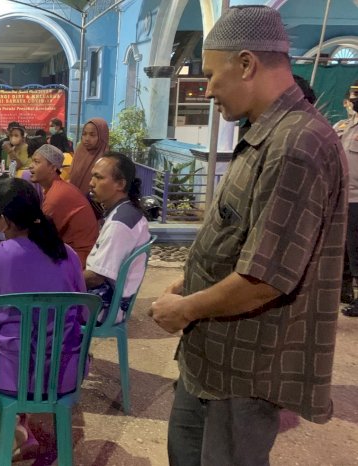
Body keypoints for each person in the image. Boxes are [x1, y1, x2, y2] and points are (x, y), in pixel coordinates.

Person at [148, 7, 347, 465]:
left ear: (246, 64)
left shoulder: (296, 145)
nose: (208, 88)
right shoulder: (268, 133)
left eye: (213, 74)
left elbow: (266, 278)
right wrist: (193, 282)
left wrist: (185, 308)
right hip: (213, 360)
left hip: (244, 371)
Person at [0, 177, 86, 455]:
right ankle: (21, 427)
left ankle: (14, 425)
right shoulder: (68, 254)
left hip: (12, 376)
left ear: (4, 221)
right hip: (64, 373)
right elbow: (83, 312)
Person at [84, 153, 150, 324]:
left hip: (105, 306)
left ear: (120, 184)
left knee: (41, 305)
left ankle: (69, 350)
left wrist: (62, 281)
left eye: (99, 178)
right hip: (106, 296)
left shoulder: (119, 223)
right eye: (92, 176)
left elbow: (96, 277)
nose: (91, 183)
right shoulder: (126, 211)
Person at [29, 144, 98, 266]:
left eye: (36, 162)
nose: (31, 166)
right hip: (71, 253)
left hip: (79, 260)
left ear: (52, 167)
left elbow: (38, 235)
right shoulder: (55, 188)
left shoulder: (57, 194)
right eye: (32, 161)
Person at [336, 81, 358, 316]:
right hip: (343, 199)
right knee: (342, 249)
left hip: (357, 199)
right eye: (350, 98)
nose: (351, 103)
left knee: (356, 249)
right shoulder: (343, 126)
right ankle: (343, 291)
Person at [69, 117, 109, 196]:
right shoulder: (79, 151)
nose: (87, 139)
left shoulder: (107, 160)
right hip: (73, 199)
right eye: (84, 134)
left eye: (92, 135)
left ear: (102, 136)